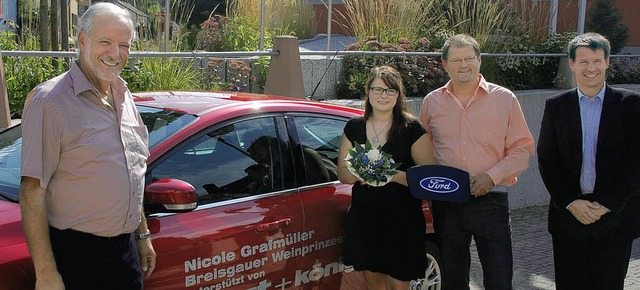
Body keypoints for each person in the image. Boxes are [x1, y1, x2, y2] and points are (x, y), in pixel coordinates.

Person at [19, 3, 155, 289]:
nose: (115, 54)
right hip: (76, 258)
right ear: (82, 40)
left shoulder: (123, 95)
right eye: (105, 42)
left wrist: (141, 234)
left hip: (125, 254)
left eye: (124, 45)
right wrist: (46, 273)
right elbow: (32, 191)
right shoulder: (50, 102)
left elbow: (131, 171)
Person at [419, 34, 535, 290]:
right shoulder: (432, 102)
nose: (464, 65)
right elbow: (423, 150)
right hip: (446, 202)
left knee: (499, 277)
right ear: (444, 64)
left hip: (491, 199)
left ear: (479, 60)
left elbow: (523, 148)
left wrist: (491, 176)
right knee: (453, 277)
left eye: (469, 58)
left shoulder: (504, 99)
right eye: (457, 60)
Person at [537, 32, 640, 290]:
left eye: (596, 61)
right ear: (572, 64)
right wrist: (571, 202)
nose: (590, 68)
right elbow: (547, 159)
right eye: (583, 62)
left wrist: (607, 204)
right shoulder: (556, 105)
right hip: (569, 219)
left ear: (607, 62)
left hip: (616, 218)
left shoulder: (631, 104)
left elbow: (637, 162)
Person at [337, 65, 437, 290]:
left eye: (390, 91)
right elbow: (342, 173)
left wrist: (390, 175)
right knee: (374, 283)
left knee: (398, 284)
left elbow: (428, 178)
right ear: (368, 91)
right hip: (365, 218)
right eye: (378, 90)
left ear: (398, 95)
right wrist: (358, 173)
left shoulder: (411, 128)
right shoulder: (353, 128)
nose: (384, 95)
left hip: (402, 220)